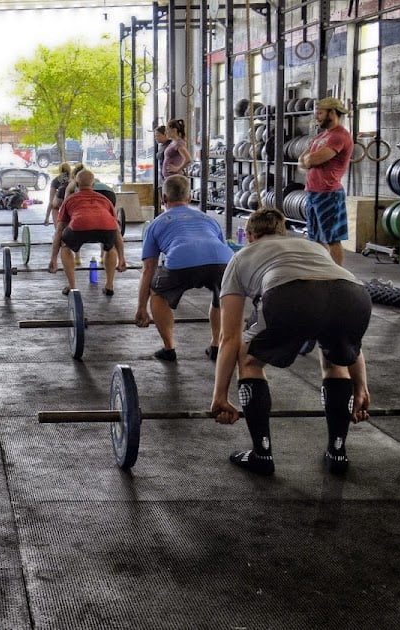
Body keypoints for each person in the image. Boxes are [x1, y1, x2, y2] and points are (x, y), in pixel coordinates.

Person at [211, 207, 371, 477]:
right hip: (353, 294)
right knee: (335, 361)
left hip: (291, 296)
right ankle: (338, 451)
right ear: (283, 231)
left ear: (249, 235)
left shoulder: (240, 257)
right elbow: (350, 346)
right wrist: (361, 387)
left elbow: (229, 337)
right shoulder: (315, 247)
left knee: (249, 359)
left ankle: (262, 454)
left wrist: (219, 397)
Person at [133, 175, 235, 362]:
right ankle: (216, 345)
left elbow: (149, 269)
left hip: (181, 262)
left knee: (157, 292)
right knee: (220, 296)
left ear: (163, 198)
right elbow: (220, 248)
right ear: (189, 199)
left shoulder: (156, 224)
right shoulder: (208, 219)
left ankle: (169, 348)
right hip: (223, 260)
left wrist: (141, 307)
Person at [48, 169, 127, 296]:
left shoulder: (69, 199)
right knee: (110, 246)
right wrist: (122, 258)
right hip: (106, 227)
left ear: (77, 185)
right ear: (93, 185)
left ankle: (72, 287)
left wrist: (53, 259)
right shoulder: (105, 200)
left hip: (80, 226)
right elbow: (117, 231)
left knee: (65, 245)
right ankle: (109, 286)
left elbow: (59, 230)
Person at [298, 96, 354, 266]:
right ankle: (322, 271)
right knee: (315, 238)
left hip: (329, 194)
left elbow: (312, 160)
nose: (317, 117)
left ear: (332, 113)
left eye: (320, 113)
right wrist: (308, 160)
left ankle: (338, 276)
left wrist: (309, 160)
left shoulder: (339, 136)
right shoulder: (320, 137)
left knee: (332, 239)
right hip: (312, 193)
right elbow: (301, 160)